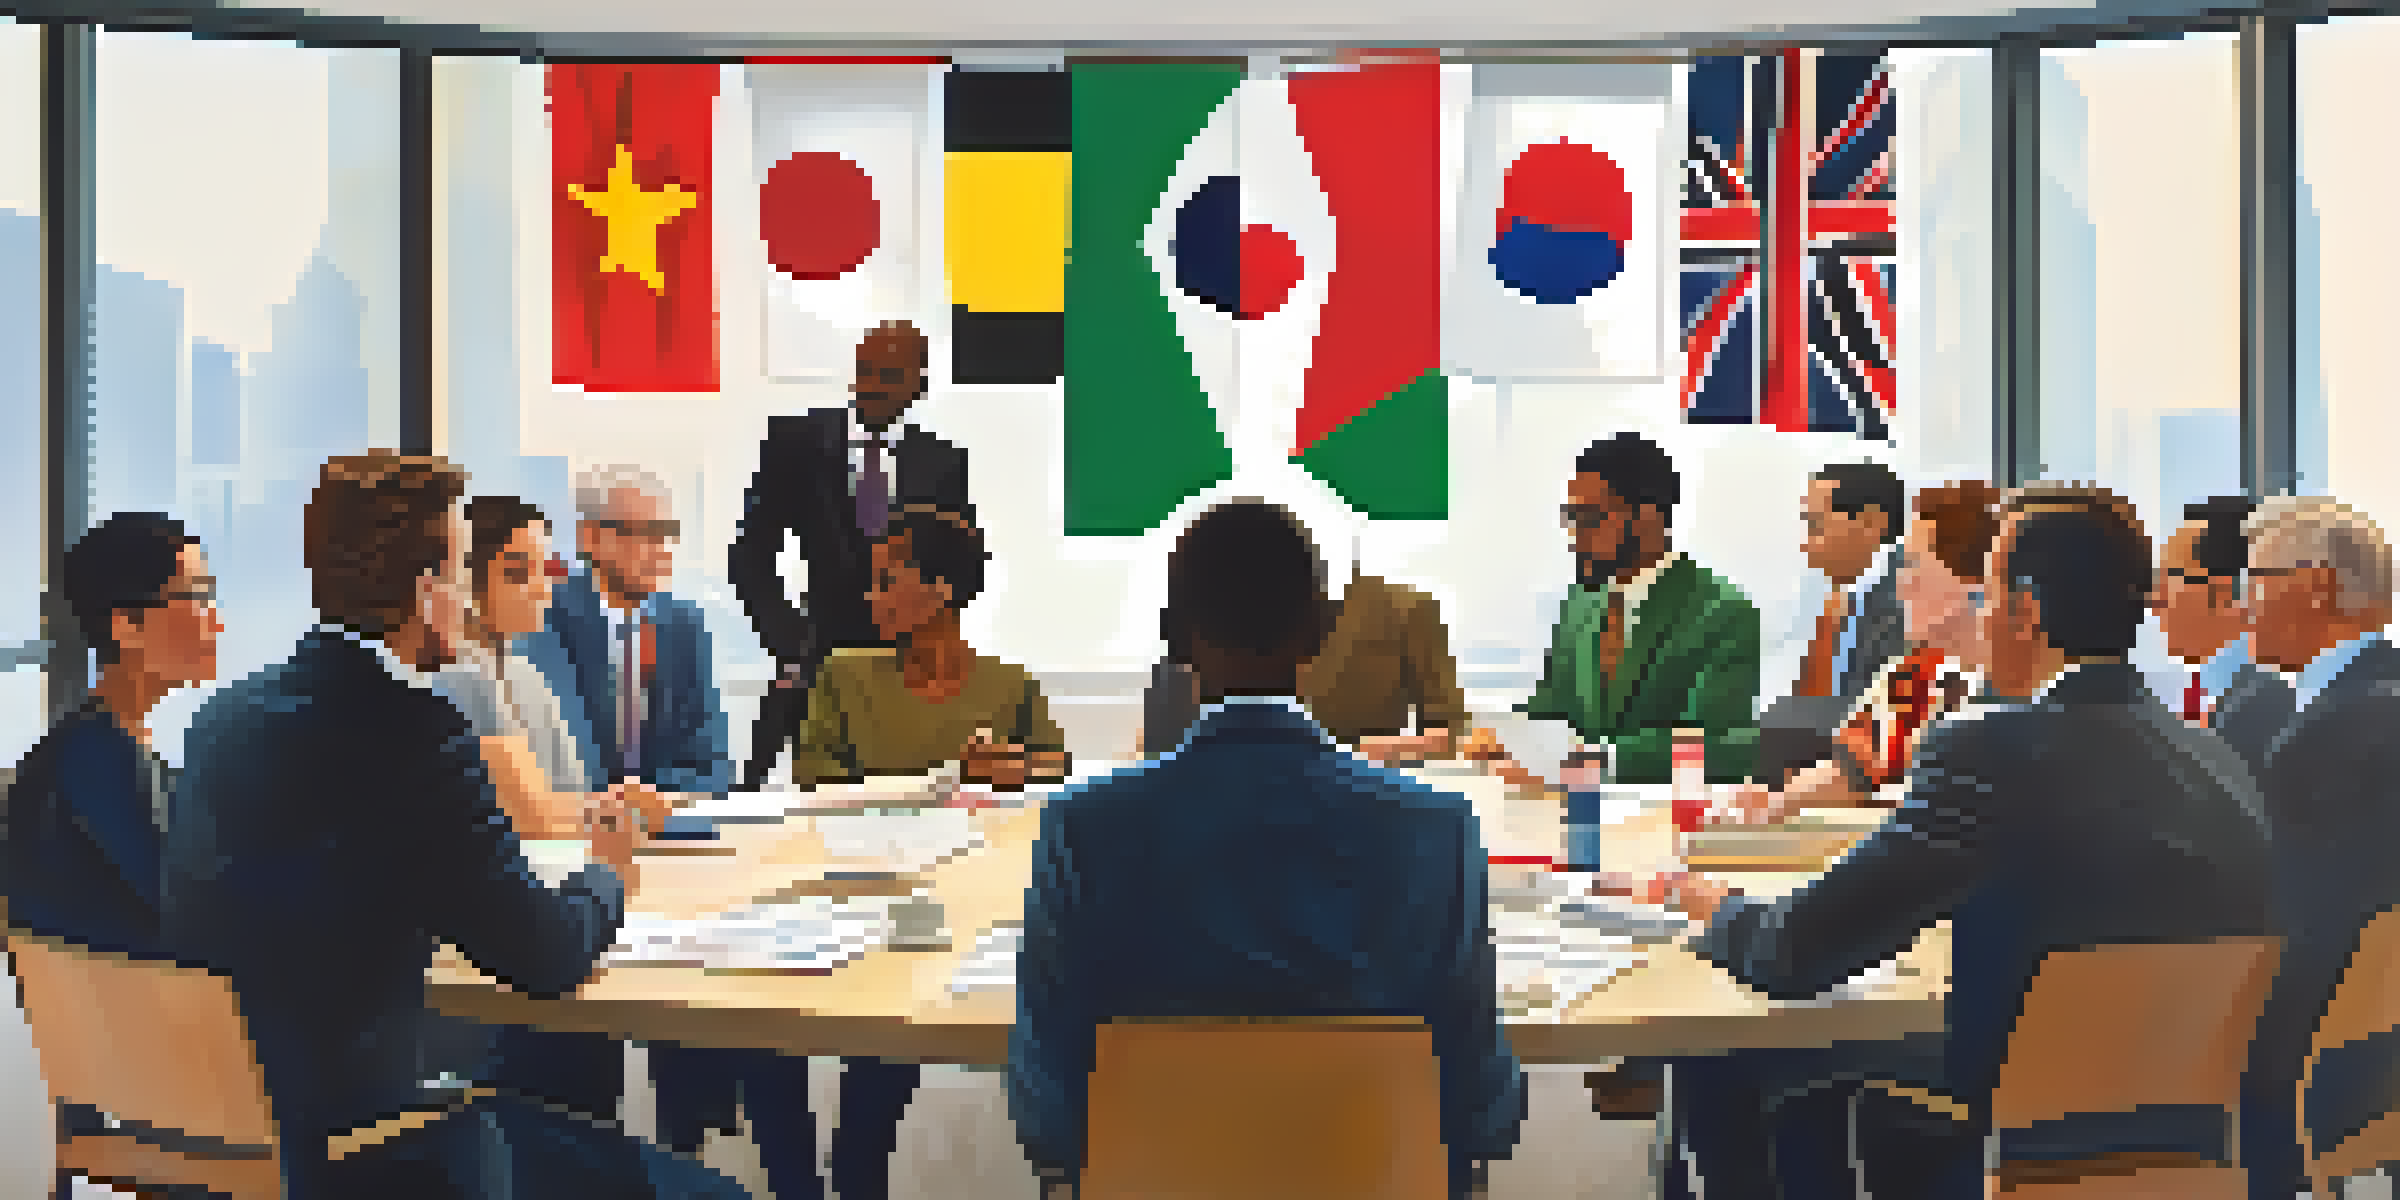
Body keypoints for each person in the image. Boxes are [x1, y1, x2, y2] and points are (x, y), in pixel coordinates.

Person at [1643, 484, 2274, 1196]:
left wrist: (1715, 907)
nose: (1980, 610)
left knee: (1717, 1053)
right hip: (2184, 1127)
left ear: (2025, 611)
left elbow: (1800, 949)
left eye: (1990, 591)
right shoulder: (2213, 754)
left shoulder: (1987, 749)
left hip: (2012, 1123)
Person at [161, 451, 740, 1200]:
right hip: (373, 1149)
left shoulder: (223, 720)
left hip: (230, 1146)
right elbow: (547, 955)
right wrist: (609, 871)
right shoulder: (416, 733)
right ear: (428, 590)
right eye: (467, 572)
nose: (472, 601)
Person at [1009, 499, 1526, 1199]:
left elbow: (1046, 1109)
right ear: (1320, 629)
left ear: (1173, 636)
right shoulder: (1437, 829)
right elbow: (1484, 1108)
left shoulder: (1084, 828)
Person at [491, 465, 737, 1180]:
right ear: (595, 539)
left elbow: (711, 759)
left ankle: (690, 1137)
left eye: (671, 532)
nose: (664, 550)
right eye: (647, 533)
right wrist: (627, 806)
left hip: (660, 845)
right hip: (578, 849)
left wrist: (656, 805)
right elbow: (560, 761)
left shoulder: (684, 626)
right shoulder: (540, 617)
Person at [419, 496, 666, 1085]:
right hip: (493, 952)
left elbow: (571, 799)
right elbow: (536, 816)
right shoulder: (460, 676)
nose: (540, 589)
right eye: (515, 572)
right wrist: (606, 815)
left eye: (544, 570)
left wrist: (605, 809)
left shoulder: (524, 673)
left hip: (538, 911)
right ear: (466, 583)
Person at [2233, 495, 2399, 1200]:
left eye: (2255, 580)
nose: (2242, 606)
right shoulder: (2357, 708)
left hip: (2308, 1072)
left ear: (2318, 586)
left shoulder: (2337, 732)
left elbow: (2297, 924)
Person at [731, 319, 971, 790]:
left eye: (887, 375)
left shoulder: (942, 462)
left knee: (910, 801)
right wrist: (787, 640)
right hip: (814, 655)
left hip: (906, 667)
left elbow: (960, 562)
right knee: (782, 796)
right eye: (864, 371)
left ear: (919, 384)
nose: (869, 386)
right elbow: (752, 552)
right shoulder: (796, 441)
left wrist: (930, 635)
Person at [1465, 433, 1761, 786]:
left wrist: (1597, 760)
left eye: (1591, 519)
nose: (1576, 537)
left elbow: (1718, 745)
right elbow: (1552, 709)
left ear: (1648, 517)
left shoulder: (1723, 612)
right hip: (1570, 814)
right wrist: (1508, 740)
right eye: (1570, 518)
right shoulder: (1580, 605)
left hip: (1663, 821)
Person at [5, 514, 219, 963]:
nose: (215, 622)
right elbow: (192, 914)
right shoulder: (96, 763)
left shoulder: (94, 750)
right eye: (197, 596)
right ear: (127, 626)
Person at [1739, 480, 2000, 822]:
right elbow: (1851, 766)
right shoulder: (1916, 672)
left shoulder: (2012, 684)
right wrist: (1778, 802)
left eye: (1915, 565)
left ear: (1974, 580)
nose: (1903, 583)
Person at [792, 504, 1069, 788]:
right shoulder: (842, 675)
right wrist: (949, 781)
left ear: (940, 589)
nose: (872, 597)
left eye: (886, 582)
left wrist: (1016, 768)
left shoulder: (1012, 684)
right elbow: (815, 781)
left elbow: (1058, 768)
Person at [1137, 566, 1468, 763]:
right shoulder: (1210, 616)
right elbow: (1156, 740)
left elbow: (1449, 733)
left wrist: (1348, 756)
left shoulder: (1401, 610)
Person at [2155, 495, 2293, 775]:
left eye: (2171, 576)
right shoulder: (2209, 695)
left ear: (2226, 591)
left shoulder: (2269, 719)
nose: (2155, 598)